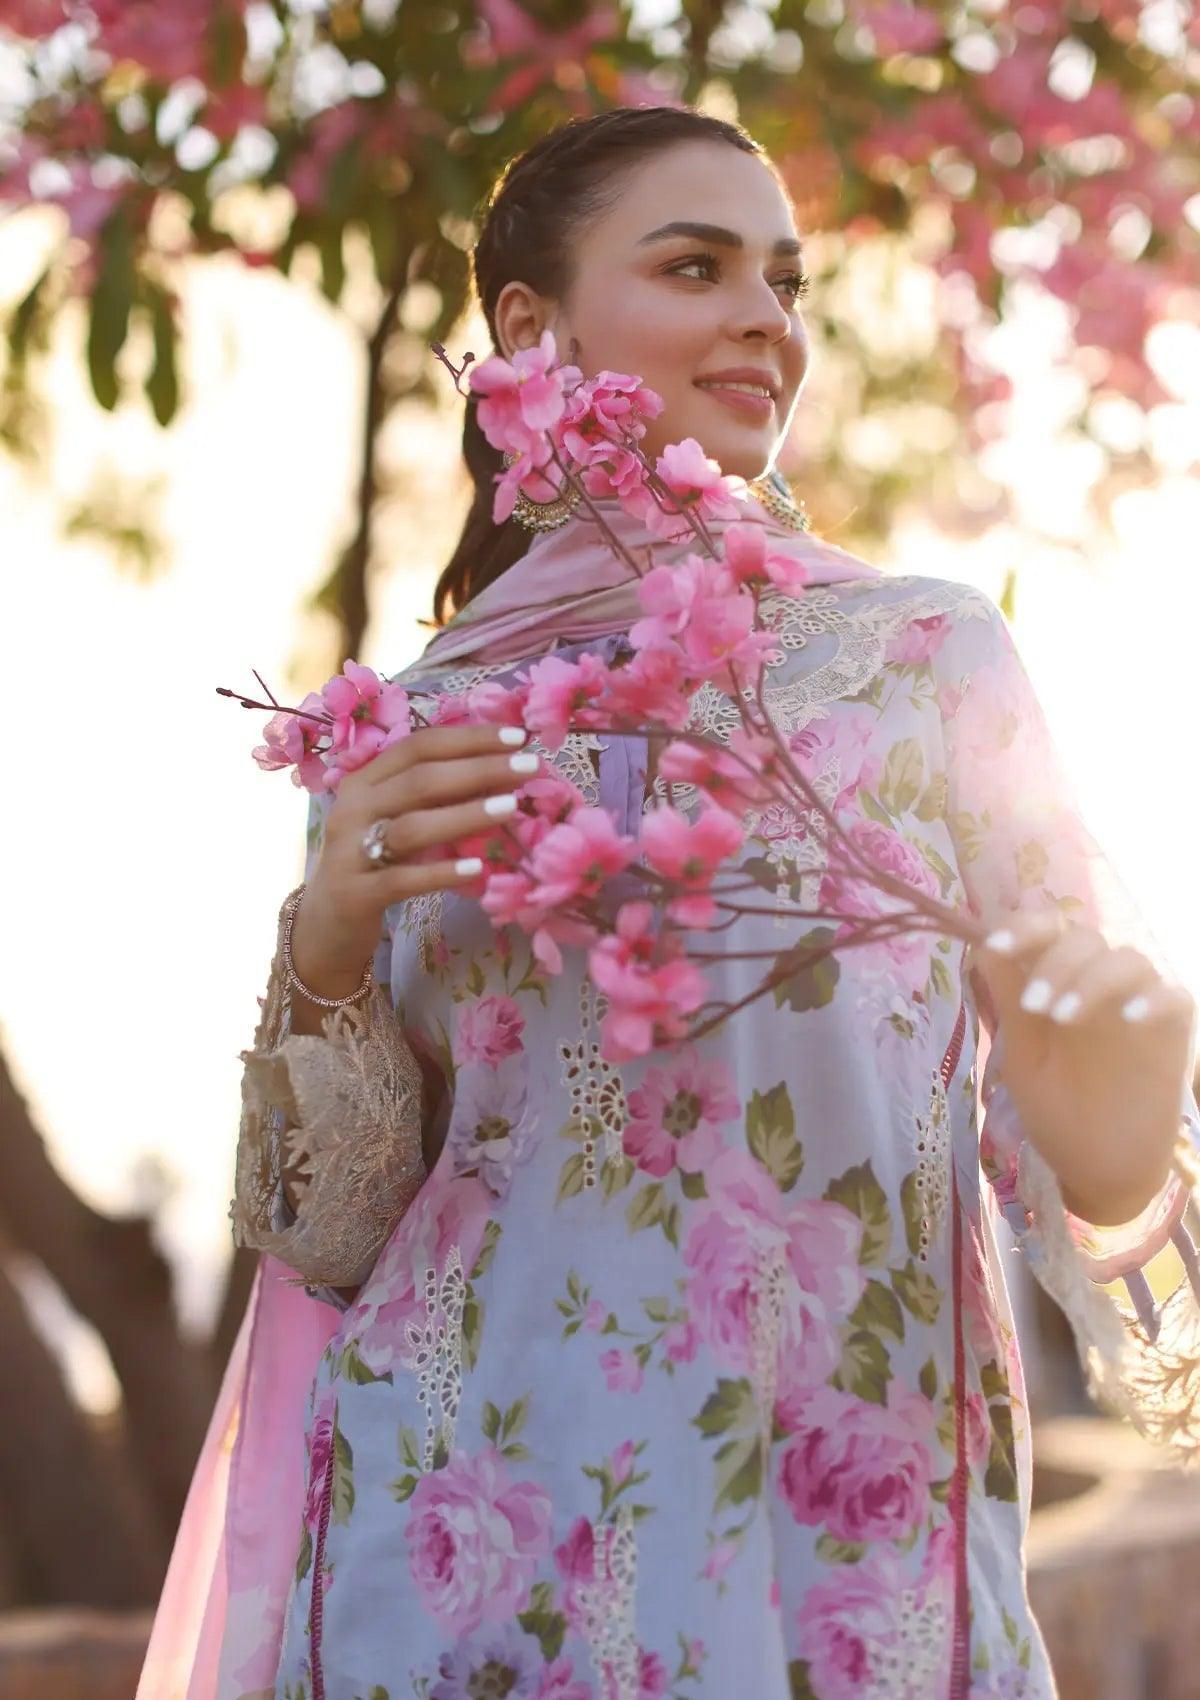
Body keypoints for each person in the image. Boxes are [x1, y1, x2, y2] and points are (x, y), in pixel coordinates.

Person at [137, 106, 1200, 1700]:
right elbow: (330, 1242)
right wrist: (328, 948)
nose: (767, 318)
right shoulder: (410, 728)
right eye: (697, 266)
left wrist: (1115, 1138)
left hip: (836, 1561)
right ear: (529, 329)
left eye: (785, 279)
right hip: (461, 1574)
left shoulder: (925, 666)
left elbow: (1082, 1165)